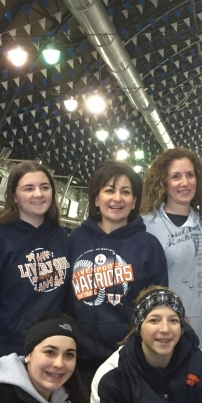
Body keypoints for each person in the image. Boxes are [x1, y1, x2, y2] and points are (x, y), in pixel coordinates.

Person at [0, 162, 71, 393]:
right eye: (28, 188)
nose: (38, 194)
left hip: (52, 357)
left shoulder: (61, 238)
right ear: (13, 195)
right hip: (10, 357)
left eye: (44, 187)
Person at [68, 161, 168, 388]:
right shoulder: (76, 239)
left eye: (125, 192)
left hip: (128, 358)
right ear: (96, 198)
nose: (117, 198)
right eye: (109, 190)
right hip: (80, 359)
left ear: (134, 201)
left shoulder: (148, 245)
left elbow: (156, 306)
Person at [141, 148, 202, 352]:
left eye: (190, 175)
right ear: (164, 182)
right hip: (163, 337)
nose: (185, 182)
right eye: (176, 176)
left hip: (201, 336)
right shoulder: (147, 225)